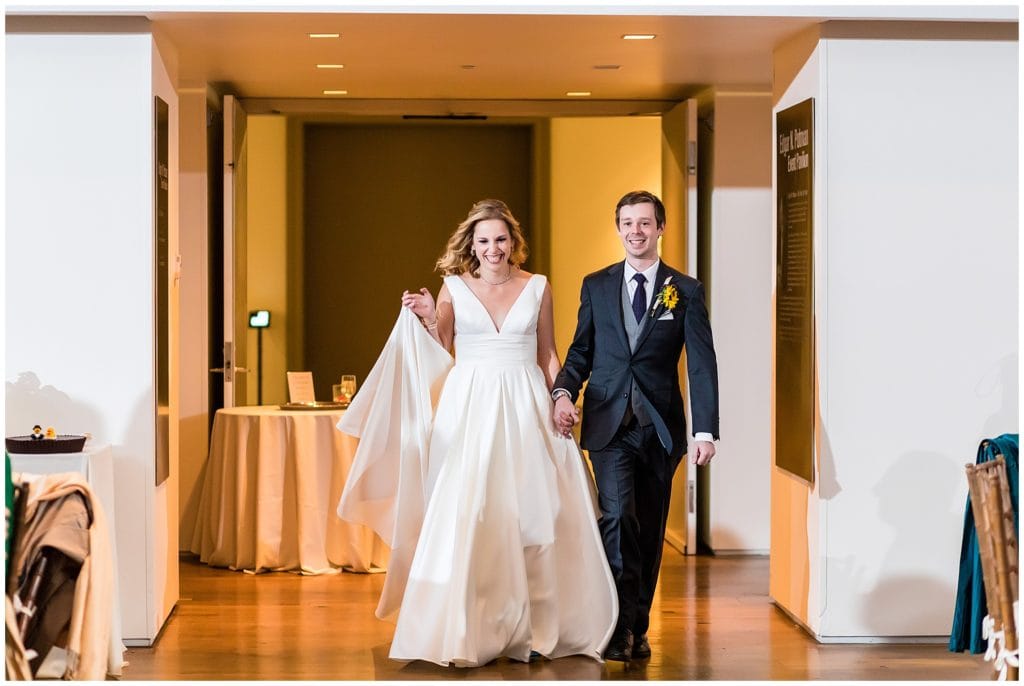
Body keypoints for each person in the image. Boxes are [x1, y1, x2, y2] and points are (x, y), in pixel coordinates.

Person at [337, 199, 616, 668]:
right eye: (484, 240)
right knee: (471, 513)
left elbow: (548, 354)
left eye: (501, 239)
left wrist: (563, 399)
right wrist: (428, 314)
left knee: (535, 512)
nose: (493, 249)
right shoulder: (452, 288)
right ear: (472, 244)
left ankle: (535, 627)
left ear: (514, 243)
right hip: (470, 409)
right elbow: (441, 344)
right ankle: (470, 626)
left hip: (528, 406)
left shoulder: (538, 287)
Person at [552, 189, 720, 662]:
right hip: (609, 426)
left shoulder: (684, 291)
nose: (636, 231)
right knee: (618, 517)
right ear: (618, 228)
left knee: (649, 530)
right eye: (627, 223)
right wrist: (564, 391)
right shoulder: (597, 285)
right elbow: (581, 350)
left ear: (660, 228)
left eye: (645, 223)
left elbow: (702, 365)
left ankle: (638, 625)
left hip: (660, 430)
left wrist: (704, 431)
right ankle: (619, 627)